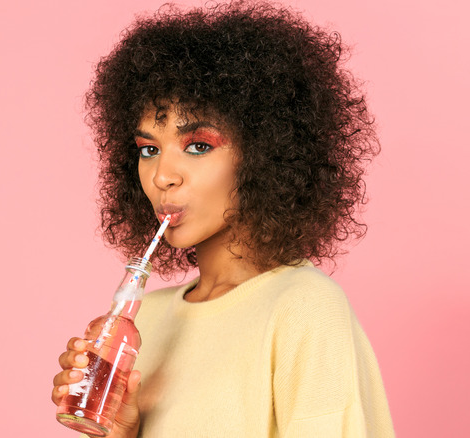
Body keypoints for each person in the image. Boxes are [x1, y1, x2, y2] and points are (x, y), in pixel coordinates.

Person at [51, 1, 394, 436]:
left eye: (197, 145)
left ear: (266, 154)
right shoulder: (145, 323)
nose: (162, 176)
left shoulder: (304, 307)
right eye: (148, 149)